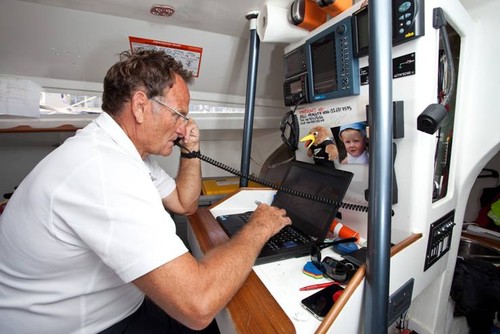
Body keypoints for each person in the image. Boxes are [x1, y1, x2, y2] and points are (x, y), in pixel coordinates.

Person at [0, 49, 291, 333]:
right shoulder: (104, 170)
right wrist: (257, 229)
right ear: (140, 106)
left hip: (116, 306)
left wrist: (190, 150)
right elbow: (197, 305)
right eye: (179, 114)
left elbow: (184, 203)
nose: (183, 127)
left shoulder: (121, 150)